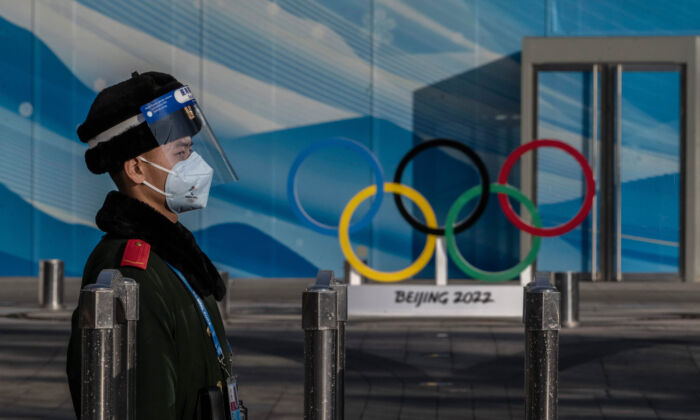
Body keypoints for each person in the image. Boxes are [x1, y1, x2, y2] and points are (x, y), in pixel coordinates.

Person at [66, 71, 241, 419]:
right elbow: (147, 401)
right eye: (180, 151)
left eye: (192, 149)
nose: (195, 165)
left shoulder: (173, 256)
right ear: (135, 169)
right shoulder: (132, 273)